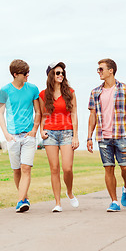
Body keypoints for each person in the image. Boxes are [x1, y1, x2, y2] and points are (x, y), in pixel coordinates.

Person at [87, 58, 126, 212]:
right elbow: (92, 116)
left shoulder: (125, 89)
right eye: (98, 69)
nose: (99, 72)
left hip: (122, 134)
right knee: (108, 168)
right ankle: (114, 201)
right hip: (103, 136)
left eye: (101, 69)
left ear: (111, 71)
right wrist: (89, 137)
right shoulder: (95, 92)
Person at [0, 59, 41, 213]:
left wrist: (35, 129)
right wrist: (6, 134)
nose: (28, 75)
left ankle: (20, 201)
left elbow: (39, 111)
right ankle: (25, 198)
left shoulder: (33, 89)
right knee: (16, 170)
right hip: (13, 137)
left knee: (25, 168)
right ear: (15, 75)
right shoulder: (5, 90)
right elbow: (0, 113)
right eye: (25, 73)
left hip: (29, 135)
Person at [38, 62, 80, 213]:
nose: (61, 75)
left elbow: (74, 115)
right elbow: (43, 115)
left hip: (67, 132)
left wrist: (76, 135)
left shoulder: (70, 92)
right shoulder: (43, 94)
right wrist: (41, 131)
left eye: (62, 73)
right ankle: (57, 203)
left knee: (67, 168)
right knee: (54, 168)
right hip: (50, 133)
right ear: (51, 75)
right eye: (57, 73)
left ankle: (69, 192)